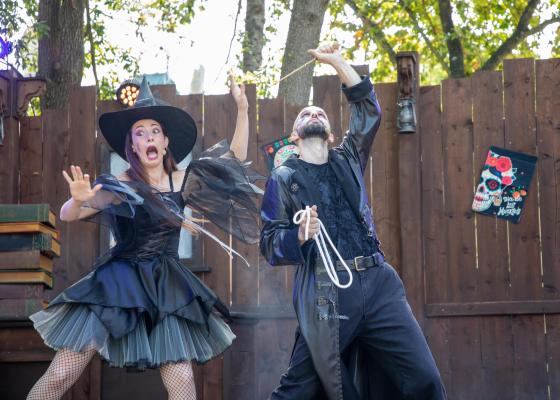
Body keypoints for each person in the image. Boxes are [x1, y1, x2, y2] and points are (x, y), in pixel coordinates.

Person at [27, 73, 262, 400]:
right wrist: (80, 197)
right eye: (140, 132)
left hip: (165, 285)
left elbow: (232, 160)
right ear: (132, 145)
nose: (149, 137)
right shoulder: (118, 183)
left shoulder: (183, 179)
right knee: (62, 372)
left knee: (182, 383)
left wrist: (243, 109)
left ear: (165, 142)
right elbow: (69, 214)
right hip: (117, 282)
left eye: (155, 131)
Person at [260, 43, 447, 400]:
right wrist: (298, 235)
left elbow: (367, 107)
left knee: (424, 380)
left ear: (331, 135)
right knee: (299, 389)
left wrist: (336, 62)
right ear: (295, 135)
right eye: (305, 114)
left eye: (320, 113)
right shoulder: (282, 177)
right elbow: (269, 243)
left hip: (379, 283)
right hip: (328, 293)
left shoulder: (347, 158)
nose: (313, 113)